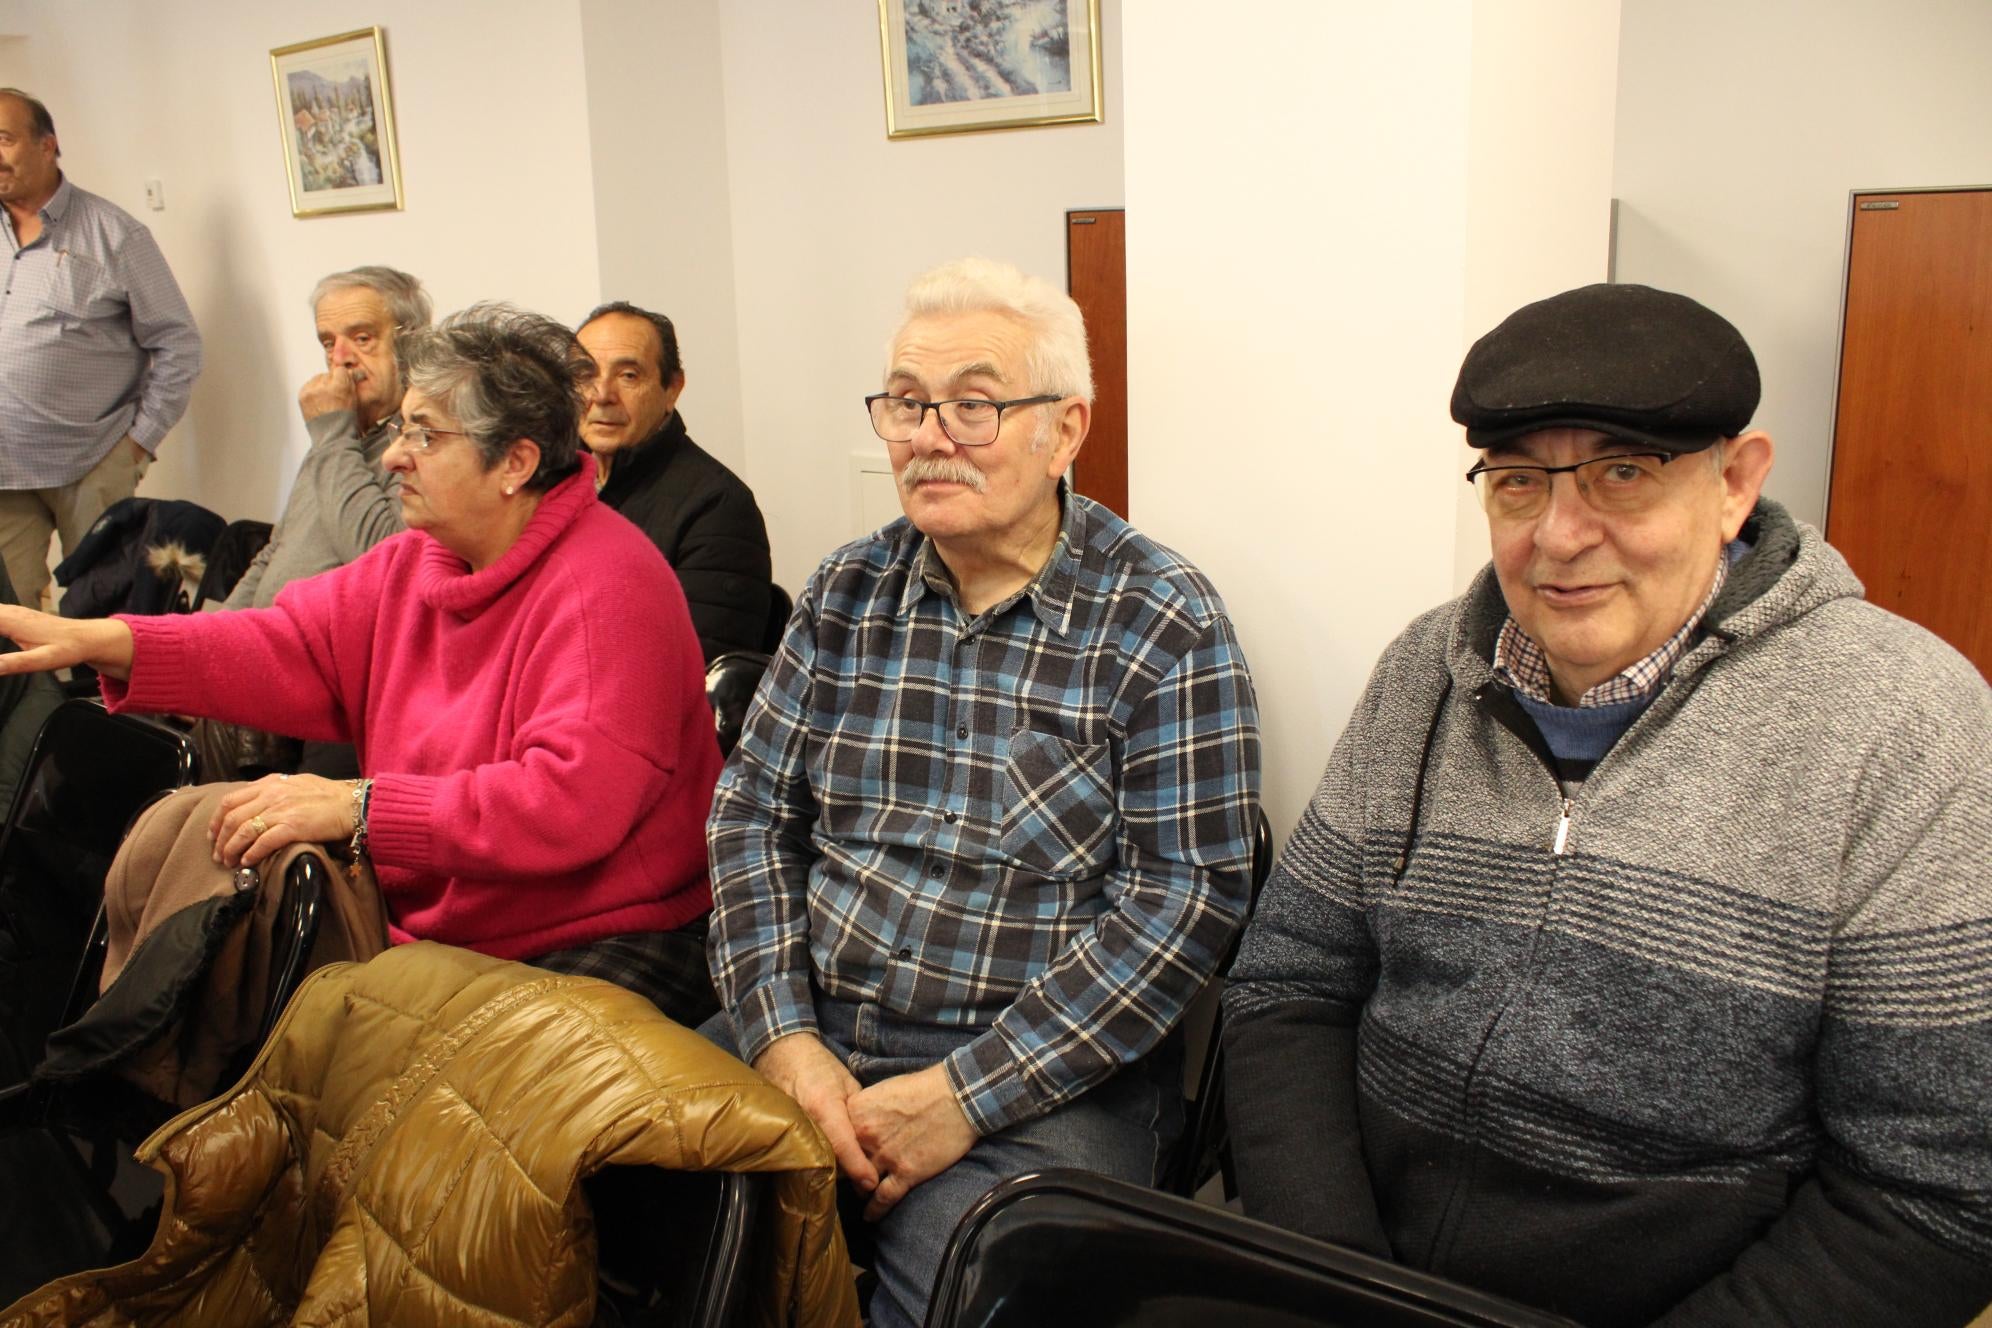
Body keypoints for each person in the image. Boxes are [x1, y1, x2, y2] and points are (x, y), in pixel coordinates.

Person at [1223, 283, 1992, 1327]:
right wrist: (1333, 1276)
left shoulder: (1905, 725)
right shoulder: (1426, 670)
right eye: (1517, 481)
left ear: (1736, 483)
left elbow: (1933, 1189)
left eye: (1622, 473)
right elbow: (1286, 985)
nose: (1560, 533)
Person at [705, 257, 1261, 1328]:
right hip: (808, 1030)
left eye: (973, 403)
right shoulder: (845, 590)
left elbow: (1185, 898)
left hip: (1039, 1081)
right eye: (907, 403)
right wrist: (782, 1037)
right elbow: (751, 817)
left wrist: (964, 1096)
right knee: (610, 1185)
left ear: (1066, 428)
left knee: (980, 1294)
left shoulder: (1160, 619)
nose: (929, 435)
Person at [0, 305, 723, 1027]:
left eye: (425, 434)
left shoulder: (609, 584)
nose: (391, 456)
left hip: (606, 928)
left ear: (516, 463)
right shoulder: (415, 563)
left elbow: (568, 804)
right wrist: (111, 641)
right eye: (403, 426)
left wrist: (359, 808)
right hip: (449, 925)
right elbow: (290, 647)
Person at [196, 265, 428, 782]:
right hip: (265, 667)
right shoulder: (339, 436)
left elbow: (381, 551)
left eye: (362, 338)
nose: (341, 358)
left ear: (411, 344)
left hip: (343, 690)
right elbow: (275, 553)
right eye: (328, 342)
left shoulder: (416, 439)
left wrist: (330, 434)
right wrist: (206, 643)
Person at [0, 88, 201, 606]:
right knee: (10, 618)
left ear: (48, 145)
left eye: (3, 139)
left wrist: (136, 444)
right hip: (5, 469)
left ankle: (97, 693)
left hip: (89, 463)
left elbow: (178, 342)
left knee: (98, 610)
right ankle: (36, 694)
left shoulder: (115, 235)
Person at [576, 301, 773, 660]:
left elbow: (694, 667)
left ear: (672, 389)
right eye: (585, 373)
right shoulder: (543, 482)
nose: (601, 394)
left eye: (628, 375)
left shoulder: (719, 507)